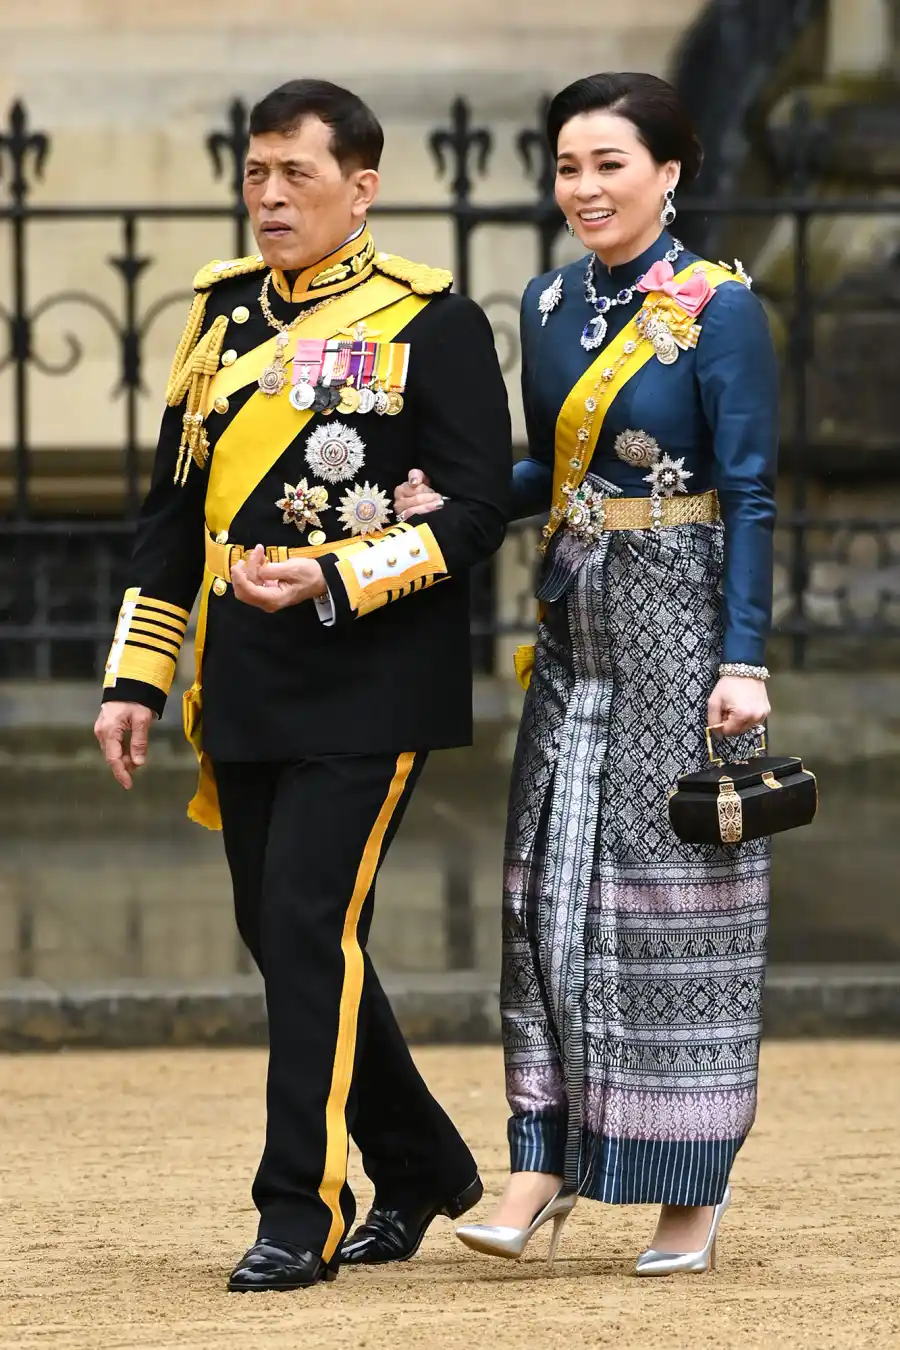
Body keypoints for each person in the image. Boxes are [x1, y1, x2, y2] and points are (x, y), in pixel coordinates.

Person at [94, 78, 511, 1291]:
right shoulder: (220, 313)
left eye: (299, 177)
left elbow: (480, 510)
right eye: (257, 175)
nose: (271, 199)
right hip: (244, 680)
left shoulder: (432, 321)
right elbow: (171, 511)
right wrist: (136, 673)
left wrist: (338, 571)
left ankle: (301, 1210)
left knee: (303, 924)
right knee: (289, 936)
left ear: (362, 186)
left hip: (372, 675)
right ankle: (425, 1160)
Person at [394, 71, 777, 1277]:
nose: (585, 187)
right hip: (573, 629)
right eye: (569, 166)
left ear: (670, 174)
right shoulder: (551, 299)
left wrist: (747, 660)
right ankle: (540, 1160)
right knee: (544, 892)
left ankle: (688, 1189)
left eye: (610, 163)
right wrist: (454, 501)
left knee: (672, 908)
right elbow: (560, 479)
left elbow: (756, 491)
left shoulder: (720, 308)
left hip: (681, 629)